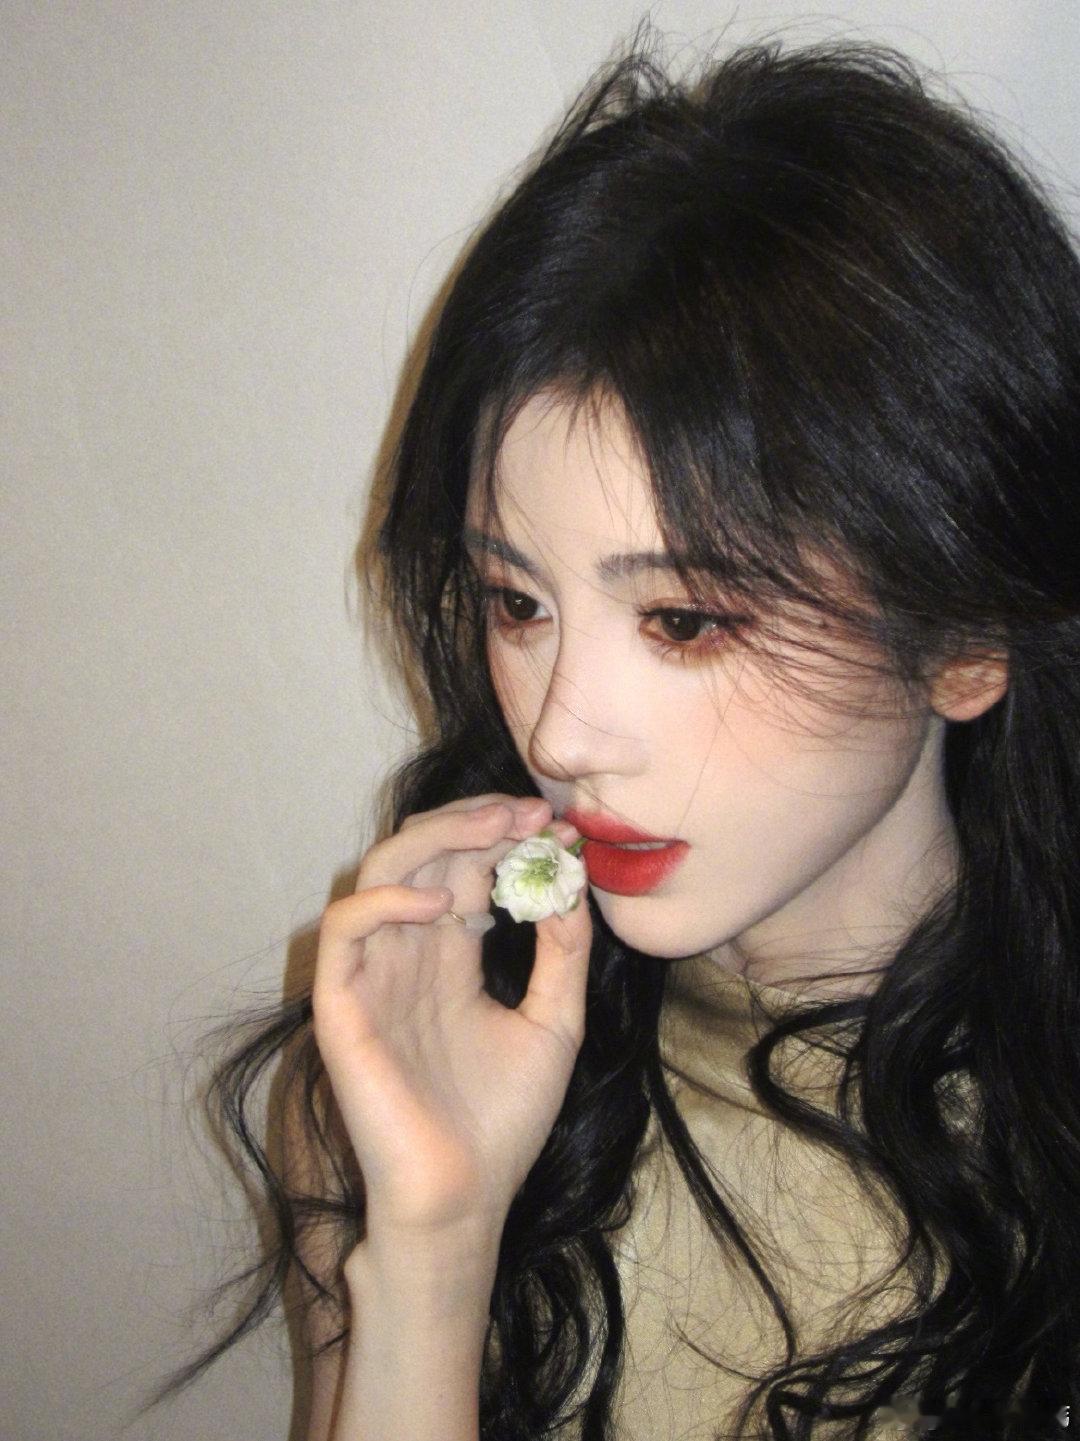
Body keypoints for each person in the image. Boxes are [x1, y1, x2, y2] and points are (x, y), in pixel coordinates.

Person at [146, 32, 1080, 1441]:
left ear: (966, 637)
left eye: (686, 620)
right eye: (517, 601)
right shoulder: (404, 1073)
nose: (560, 729)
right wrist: (435, 1248)